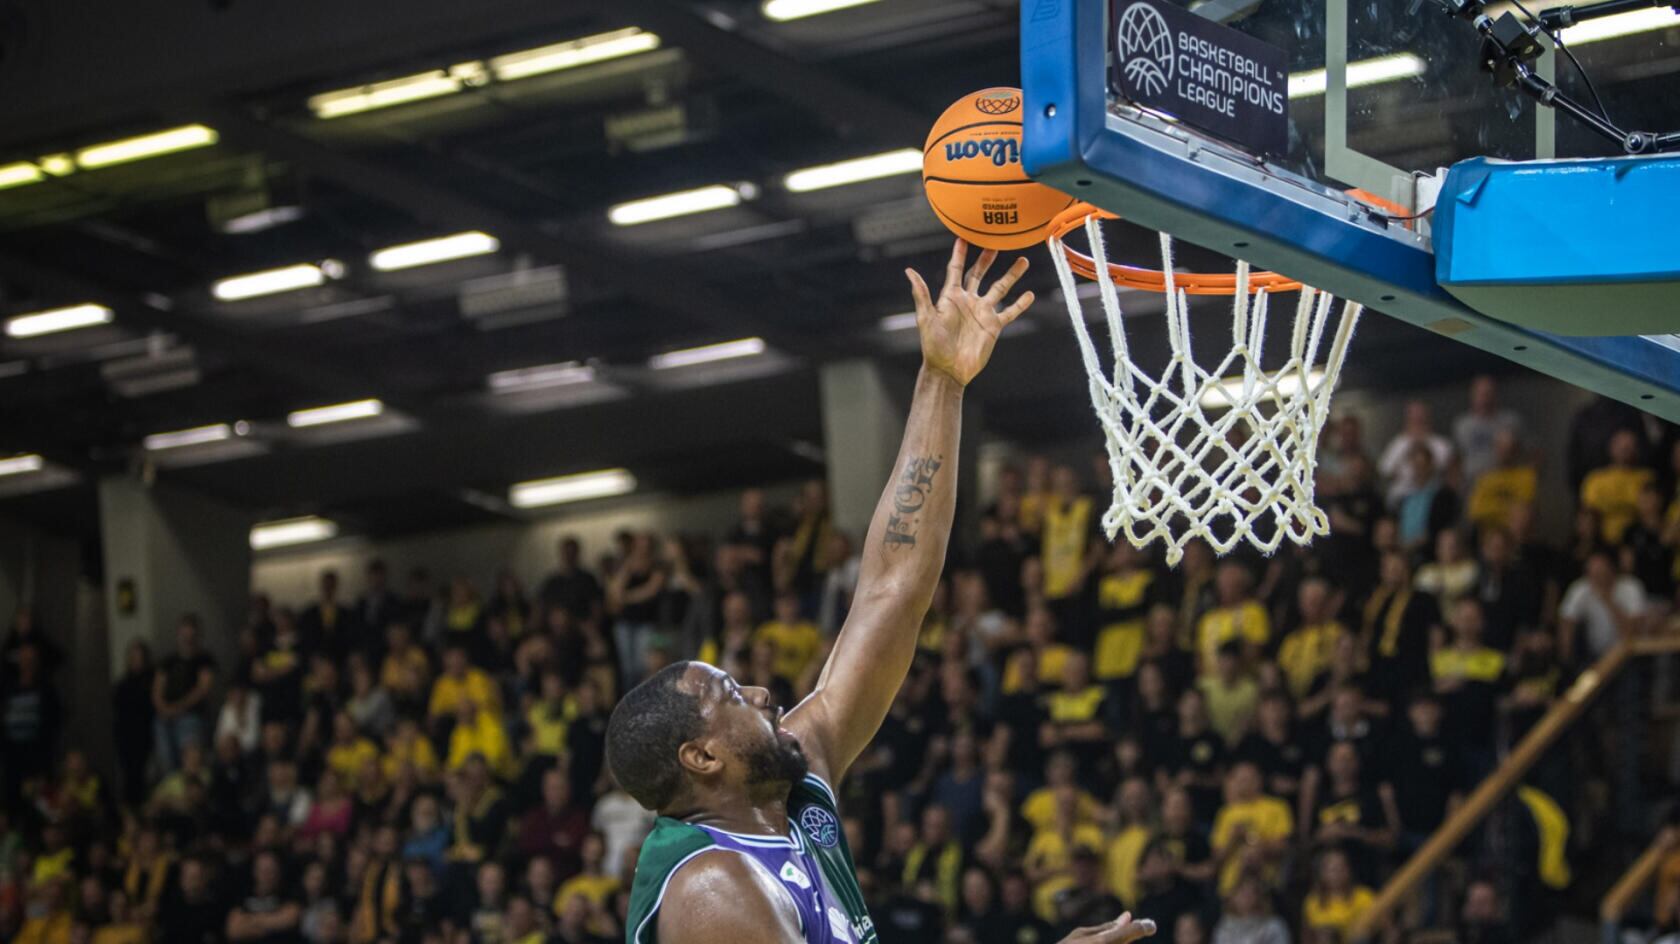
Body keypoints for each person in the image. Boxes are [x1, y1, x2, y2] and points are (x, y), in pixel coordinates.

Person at [608, 242, 1154, 944]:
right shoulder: (712, 891)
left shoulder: (792, 793)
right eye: (732, 697)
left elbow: (891, 589)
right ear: (703, 759)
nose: (765, 695)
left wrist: (943, 381)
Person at [151, 614, 216, 774]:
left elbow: (203, 689)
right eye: (184, 635)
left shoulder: (204, 660)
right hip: (165, 718)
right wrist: (164, 708)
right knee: (166, 762)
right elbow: (157, 689)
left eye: (191, 635)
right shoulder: (168, 661)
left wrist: (178, 708)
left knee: (190, 760)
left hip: (191, 716)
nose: (187, 639)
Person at [1581, 429, 1653, 544]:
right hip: (1600, 542)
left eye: (1630, 447)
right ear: (1611, 447)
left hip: (1638, 541)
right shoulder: (1595, 479)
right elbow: (1588, 513)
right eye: (1622, 447)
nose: (1625, 451)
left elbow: (1650, 512)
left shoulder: (1646, 478)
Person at [1453, 376, 1522, 484]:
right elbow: (1456, 459)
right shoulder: (1462, 425)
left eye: (1488, 394)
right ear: (1472, 395)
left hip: (1504, 483)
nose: (1485, 398)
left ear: (1495, 395)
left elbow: (1530, 451)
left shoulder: (1510, 421)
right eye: (1480, 394)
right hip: (1473, 484)